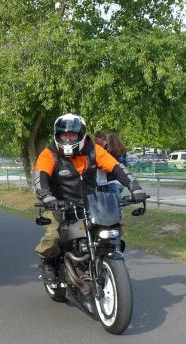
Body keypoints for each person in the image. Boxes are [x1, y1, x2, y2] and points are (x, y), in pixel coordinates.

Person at [34, 114, 145, 283]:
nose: (68, 139)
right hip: (59, 205)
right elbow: (40, 177)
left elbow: (116, 167)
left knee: (112, 228)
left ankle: (105, 260)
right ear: (57, 136)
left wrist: (134, 187)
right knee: (53, 237)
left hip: (91, 204)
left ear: (81, 135)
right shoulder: (49, 154)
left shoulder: (94, 150)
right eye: (64, 135)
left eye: (72, 135)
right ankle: (47, 261)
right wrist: (46, 196)